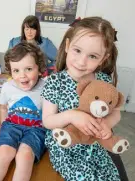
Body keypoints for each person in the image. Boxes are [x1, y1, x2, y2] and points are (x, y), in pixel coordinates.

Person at [41, 17, 129, 180]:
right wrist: (72, 115)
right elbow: (47, 121)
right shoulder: (55, 81)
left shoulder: (104, 80)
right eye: (77, 50)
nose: (82, 62)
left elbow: (116, 113)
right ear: (68, 46)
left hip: (95, 145)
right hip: (66, 144)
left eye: (93, 56)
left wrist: (107, 124)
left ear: (104, 58)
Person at [0, 42, 47, 181]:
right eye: (16, 70)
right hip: (12, 125)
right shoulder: (7, 86)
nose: (22, 76)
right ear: (10, 71)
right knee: (4, 151)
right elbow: (3, 107)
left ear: (39, 68)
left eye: (29, 69)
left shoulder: (46, 87)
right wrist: (2, 126)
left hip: (36, 129)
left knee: (24, 155)